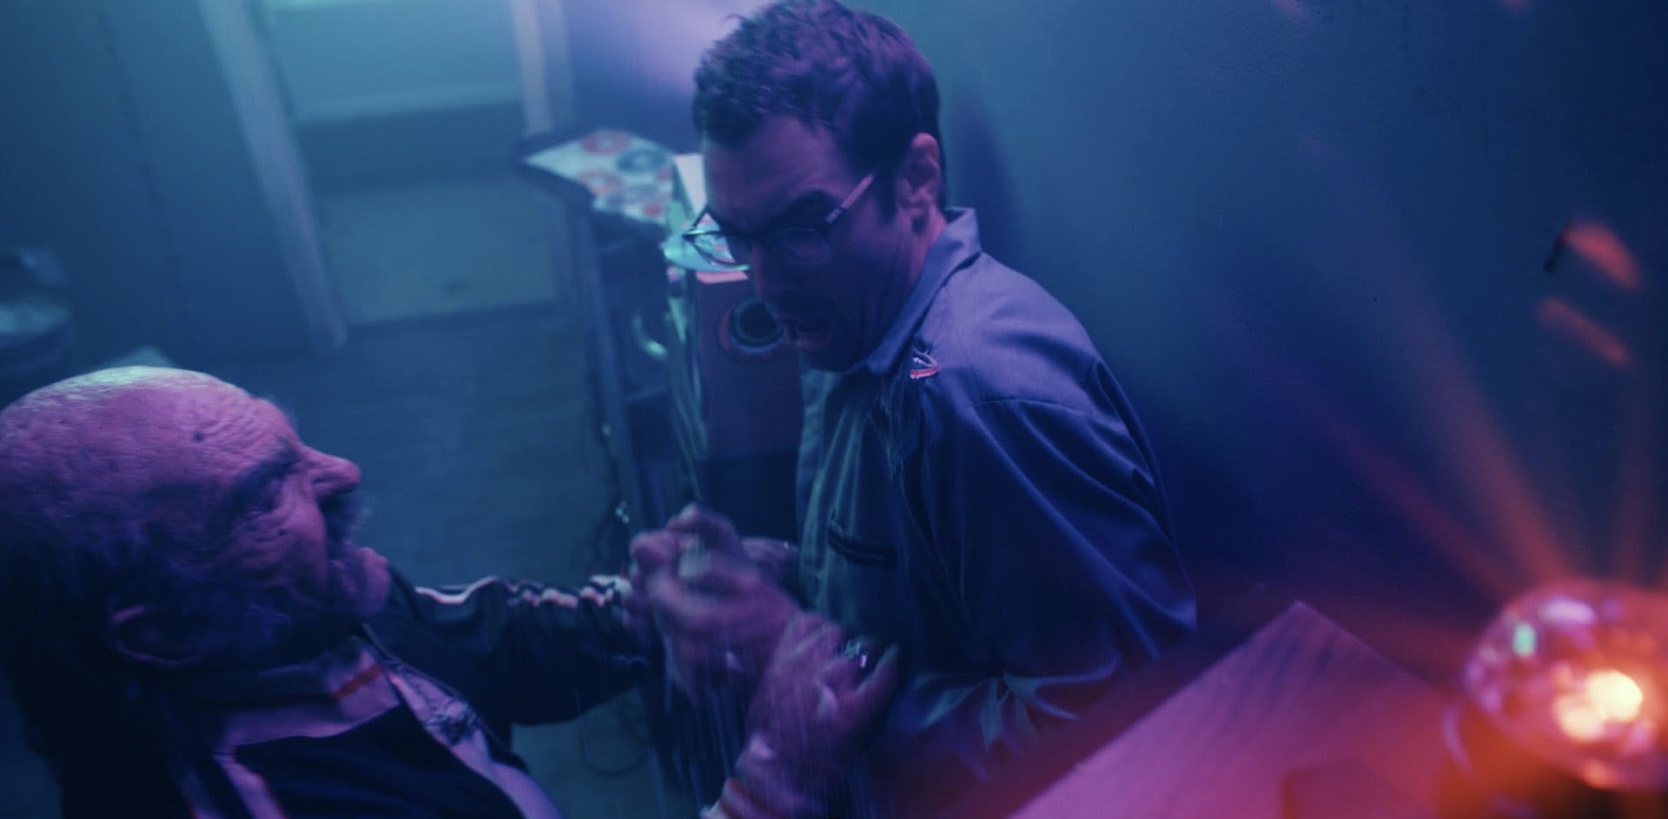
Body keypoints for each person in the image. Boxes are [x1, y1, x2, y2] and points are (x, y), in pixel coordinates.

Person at [635, 1, 1199, 816]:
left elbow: (1119, 728)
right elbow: (930, 594)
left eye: (801, 228)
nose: (765, 282)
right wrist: (778, 579)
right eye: (737, 237)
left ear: (917, 178)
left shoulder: (976, 397)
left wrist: (809, 666)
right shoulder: (854, 321)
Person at [0, 366, 895, 818]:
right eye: (266, 492)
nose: (341, 471)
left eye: (297, 444)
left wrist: (652, 609)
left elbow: (487, 639)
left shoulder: (305, 618)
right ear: (162, 630)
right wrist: (778, 775)